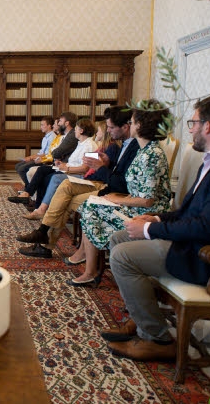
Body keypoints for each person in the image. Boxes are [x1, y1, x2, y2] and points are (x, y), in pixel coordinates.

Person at [101, 95, 210, 362]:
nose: (191, 129)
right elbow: (190, 213)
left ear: (208, 126)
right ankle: (142, 318)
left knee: (122, 255)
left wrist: (150, 232)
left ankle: (158, 339)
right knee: (119, 237)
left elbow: (208, 227)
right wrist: (158, 220)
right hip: (199, 244)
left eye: (193, 123)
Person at [67, 101, 172, 287]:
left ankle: (91, 270)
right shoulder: (144, 151)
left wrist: (116, 198)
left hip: (149, 213)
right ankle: (93, 265)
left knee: (90, 208)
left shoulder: (151, 154)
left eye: (132, 121)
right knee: (90, 205)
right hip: (135, 204)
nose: (129, 125)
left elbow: (148, 201)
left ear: (140, 125)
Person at [16, 106, 139, 257]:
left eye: (110, 127)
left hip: (108, 188)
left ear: (126, 127)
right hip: (98, 181)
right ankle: (43, 237)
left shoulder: (129, 147)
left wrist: (101, 167)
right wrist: (107, 164)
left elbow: (119, 181)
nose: (107, 130)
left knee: (63, 191)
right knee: (62, 185)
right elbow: (114, 171)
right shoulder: (121, 145)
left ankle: (44, 238)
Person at [21, 118, 98, 220]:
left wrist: (67, 168)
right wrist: (62, 164)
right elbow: (74, 162)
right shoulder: (80, 144)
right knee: (43, 171)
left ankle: (42, 209)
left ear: (81, 130)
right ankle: (37, 207)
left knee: (52, 178)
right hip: (70, 170)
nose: (74, 130)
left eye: (76, 128)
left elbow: (85, 169)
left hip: (78, 175)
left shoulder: (90, 145)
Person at [14, 117, 56, 187]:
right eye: (41, 125)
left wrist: (31, 158)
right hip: (39, 158)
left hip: (45, 161)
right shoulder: (46, 137)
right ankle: (28, 185)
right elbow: (41, 152)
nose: (41, 127)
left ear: (49, 126)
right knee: (18, 165)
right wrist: (32, 157)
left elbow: (47, 154)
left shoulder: (52, 137)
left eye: (42, 125)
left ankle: (30, 187)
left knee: (22, 168)